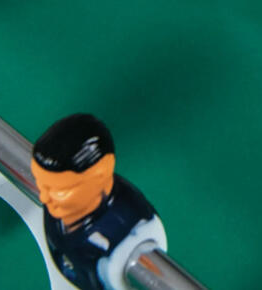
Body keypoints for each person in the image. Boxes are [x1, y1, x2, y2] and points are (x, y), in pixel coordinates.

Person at [32, 113, 166, 290]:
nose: (44, 197)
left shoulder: (132, 229)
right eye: (41, 184)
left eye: (60, 190)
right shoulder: (57, 209)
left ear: (101, 174)